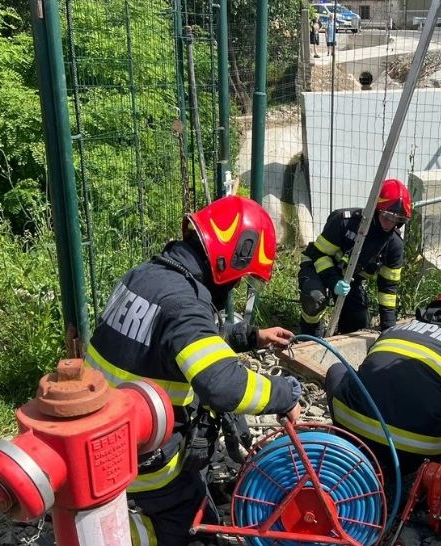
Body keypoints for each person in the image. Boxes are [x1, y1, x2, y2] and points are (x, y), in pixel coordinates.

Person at [85, 196, 303, 546]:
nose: (235, 286)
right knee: (194, 530)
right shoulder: (186, 303)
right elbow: (224, 386)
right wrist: (285, 393)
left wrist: (249, 336)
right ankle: (112, 536)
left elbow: (172, 339)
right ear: (235, 258)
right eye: (242, 276)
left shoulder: (146, 275)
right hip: (137, 458)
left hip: (97, 433)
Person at [325, 288, 441, 477]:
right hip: (418, 455)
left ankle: (342, 441)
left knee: (336, 370)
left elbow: (372, 375)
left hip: (354, 432)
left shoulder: (394, 330)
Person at [298, 178, 411, 336]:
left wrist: (388, 329)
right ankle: (310, 335)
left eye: (396, 220)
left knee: (357, 322)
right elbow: (318, 254)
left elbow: (388, 289)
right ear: (376, 209)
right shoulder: (344, 222)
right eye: (386, 216)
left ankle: (338, 341)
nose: (389, 223)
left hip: (348, 279)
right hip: (316, 265)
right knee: (314, 299)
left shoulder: (394, 245)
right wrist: (334, 281)